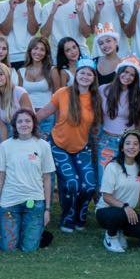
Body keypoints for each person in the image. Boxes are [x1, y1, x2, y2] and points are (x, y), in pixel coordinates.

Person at [32, 59, 101, 233]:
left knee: (89, 185)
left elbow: (98, 126)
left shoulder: (96, 99)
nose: (85, 76)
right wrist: (33, 130)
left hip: (82, 147)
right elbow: (43, 113)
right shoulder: (63, 93)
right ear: (76, 75)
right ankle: (68, 218)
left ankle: (81, 217)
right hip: (58, 145)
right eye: (82, 73)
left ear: (94, 78)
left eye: (89, 74)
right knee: (71, 183)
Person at [0, 108, 53, 252]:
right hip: (9, 203)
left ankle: (35, 232)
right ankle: (22, 231)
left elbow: (47, 178)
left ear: (34, 123)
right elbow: (0, 178)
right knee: (8, 248)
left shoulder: (43, 145)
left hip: (35, 202)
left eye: (27, 121)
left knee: (29, 249)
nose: (24, 124)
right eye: (20, 121)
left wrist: (47, 209)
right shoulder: (6, 146)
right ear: (14, 125)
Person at [95, 130, 140, 252]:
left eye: (136, 144)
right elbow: (106, 197)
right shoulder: (113, 167)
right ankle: (110, 237)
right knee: (118, 214)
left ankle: (119, 231)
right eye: (128, 143)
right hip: (106, 211)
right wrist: (125, 207)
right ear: (122, 148)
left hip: (127, 212)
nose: (132, 147)